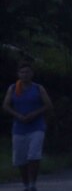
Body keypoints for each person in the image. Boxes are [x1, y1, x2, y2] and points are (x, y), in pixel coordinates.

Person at [4, 61, 52, 191]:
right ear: (18, 74)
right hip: (19, 128)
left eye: (27, 72)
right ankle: (25, 184)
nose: (25, 75)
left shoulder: (38, 88)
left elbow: (48, 104)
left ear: (32, 74)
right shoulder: (13, 88)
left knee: (33, 156)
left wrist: (35, 114)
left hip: (36, 126)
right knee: (21, 159)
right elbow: (6, 105)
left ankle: (32, 184)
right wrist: (17, 115)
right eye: (22, 72)